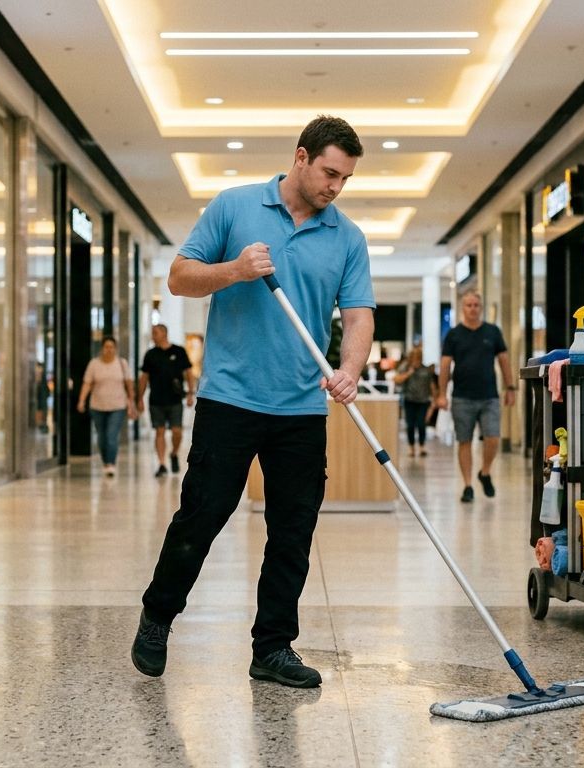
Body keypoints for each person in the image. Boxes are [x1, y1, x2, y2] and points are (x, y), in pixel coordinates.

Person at [132, 115, 374, 689]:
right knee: (203, 515)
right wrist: (236, 270)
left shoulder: (347, 237)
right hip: (230, 401)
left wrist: (349, 370)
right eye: (329, 173)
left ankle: (273, 648)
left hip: (301, 410)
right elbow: (179, 277)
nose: (335, 187)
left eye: (345, 179)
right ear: (301, 157)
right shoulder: (234, 206)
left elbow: (359, 314)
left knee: (292, 532)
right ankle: (157, 616)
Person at [435, 291, 517, 503]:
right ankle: (468, 485)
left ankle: (485, 472)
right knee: (464, 441)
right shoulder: (453, 335)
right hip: (462, 397)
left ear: (481, 307)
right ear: (463, 308)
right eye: (469, 305)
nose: (472, 308)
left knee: (493, 438)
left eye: (476, 305)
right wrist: (442, 394)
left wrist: (510, 388)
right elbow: (445, 365)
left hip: (489, 396)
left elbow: (504, 360)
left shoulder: (492, 331)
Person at [137, 324, 195, 477]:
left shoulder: (179, 351)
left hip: (175, 399)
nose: (152, 336)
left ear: (164, 334)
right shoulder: (150, 354)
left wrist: (190, 393)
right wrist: (139, 398)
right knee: (159, 431)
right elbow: (144, 378)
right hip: (156, 400)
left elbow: (188, 373)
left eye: (155, 333)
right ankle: (162, 463)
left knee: (177, 431)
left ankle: (174, 453)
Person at [76, 337, 137, 476]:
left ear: (115, 349)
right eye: (106, 347)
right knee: (101, 436)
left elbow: (129, 384)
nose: (109, 349)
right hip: (97, 406)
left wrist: (131, 401)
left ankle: (110, 463)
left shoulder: (122, 363)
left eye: (111, 347)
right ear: (102, 348)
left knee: (111, 435)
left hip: (118, 405)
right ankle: (105, 460)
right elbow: (87, 383)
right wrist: (81, 400)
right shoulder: (94, 364)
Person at [392, 346, 437, 457]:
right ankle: (411, 448)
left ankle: (422, 447)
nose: (416, 361)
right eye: (414, 359)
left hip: (423, 401)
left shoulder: (426, 370)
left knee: (421, 424)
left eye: (418, 359)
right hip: (409, 400)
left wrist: (434, 401)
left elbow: (432, 386)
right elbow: (396, 379)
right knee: (410, 425)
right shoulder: (405, 367)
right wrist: (409, 373)